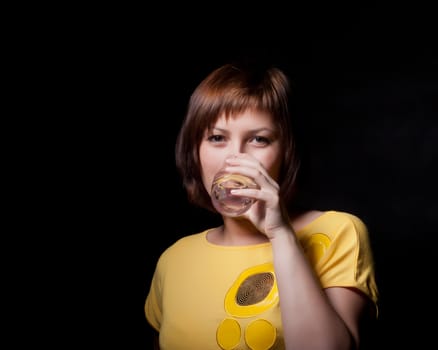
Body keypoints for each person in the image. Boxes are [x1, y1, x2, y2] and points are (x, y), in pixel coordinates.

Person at [144, 61, 379, 350]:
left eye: (259, 139)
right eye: (217, 138)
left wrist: (281, 234)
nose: (236, 159)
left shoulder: (337, 232)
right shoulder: (174, 259)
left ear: (287, 152)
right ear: (195, 151)